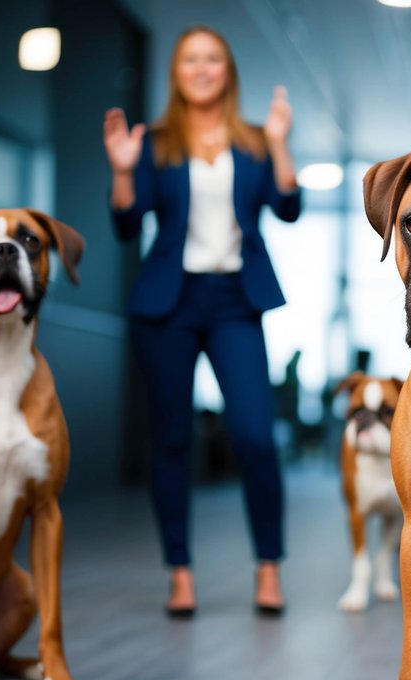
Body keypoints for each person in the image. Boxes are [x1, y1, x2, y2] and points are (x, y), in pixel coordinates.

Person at [103, 25, 301, 617]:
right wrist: (121, 168)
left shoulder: (254, 141)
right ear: (177, 71)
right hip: (169, 303)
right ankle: (180, 573)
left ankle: (269, 568)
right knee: (170, 440)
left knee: (254, 436)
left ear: (227, 71)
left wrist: (281, 141)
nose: (202, 68)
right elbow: (125, 224)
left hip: (235, 300)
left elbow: (289, 208)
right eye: (191, 59)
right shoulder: (157, 142)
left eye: (213, 58)